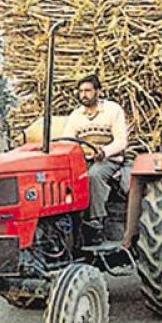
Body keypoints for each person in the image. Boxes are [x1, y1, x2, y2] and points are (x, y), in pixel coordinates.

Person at [61, 73, 128, 244]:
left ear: (98, 92)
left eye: (88, 90)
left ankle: (96, 221)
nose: (84, 94)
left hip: (109, 159)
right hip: (84, 158)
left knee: (93, 176)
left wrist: (104, 152)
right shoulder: (76, 115)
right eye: (81, 91)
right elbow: (67, 140)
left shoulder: (113, 110)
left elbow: (121, 140)